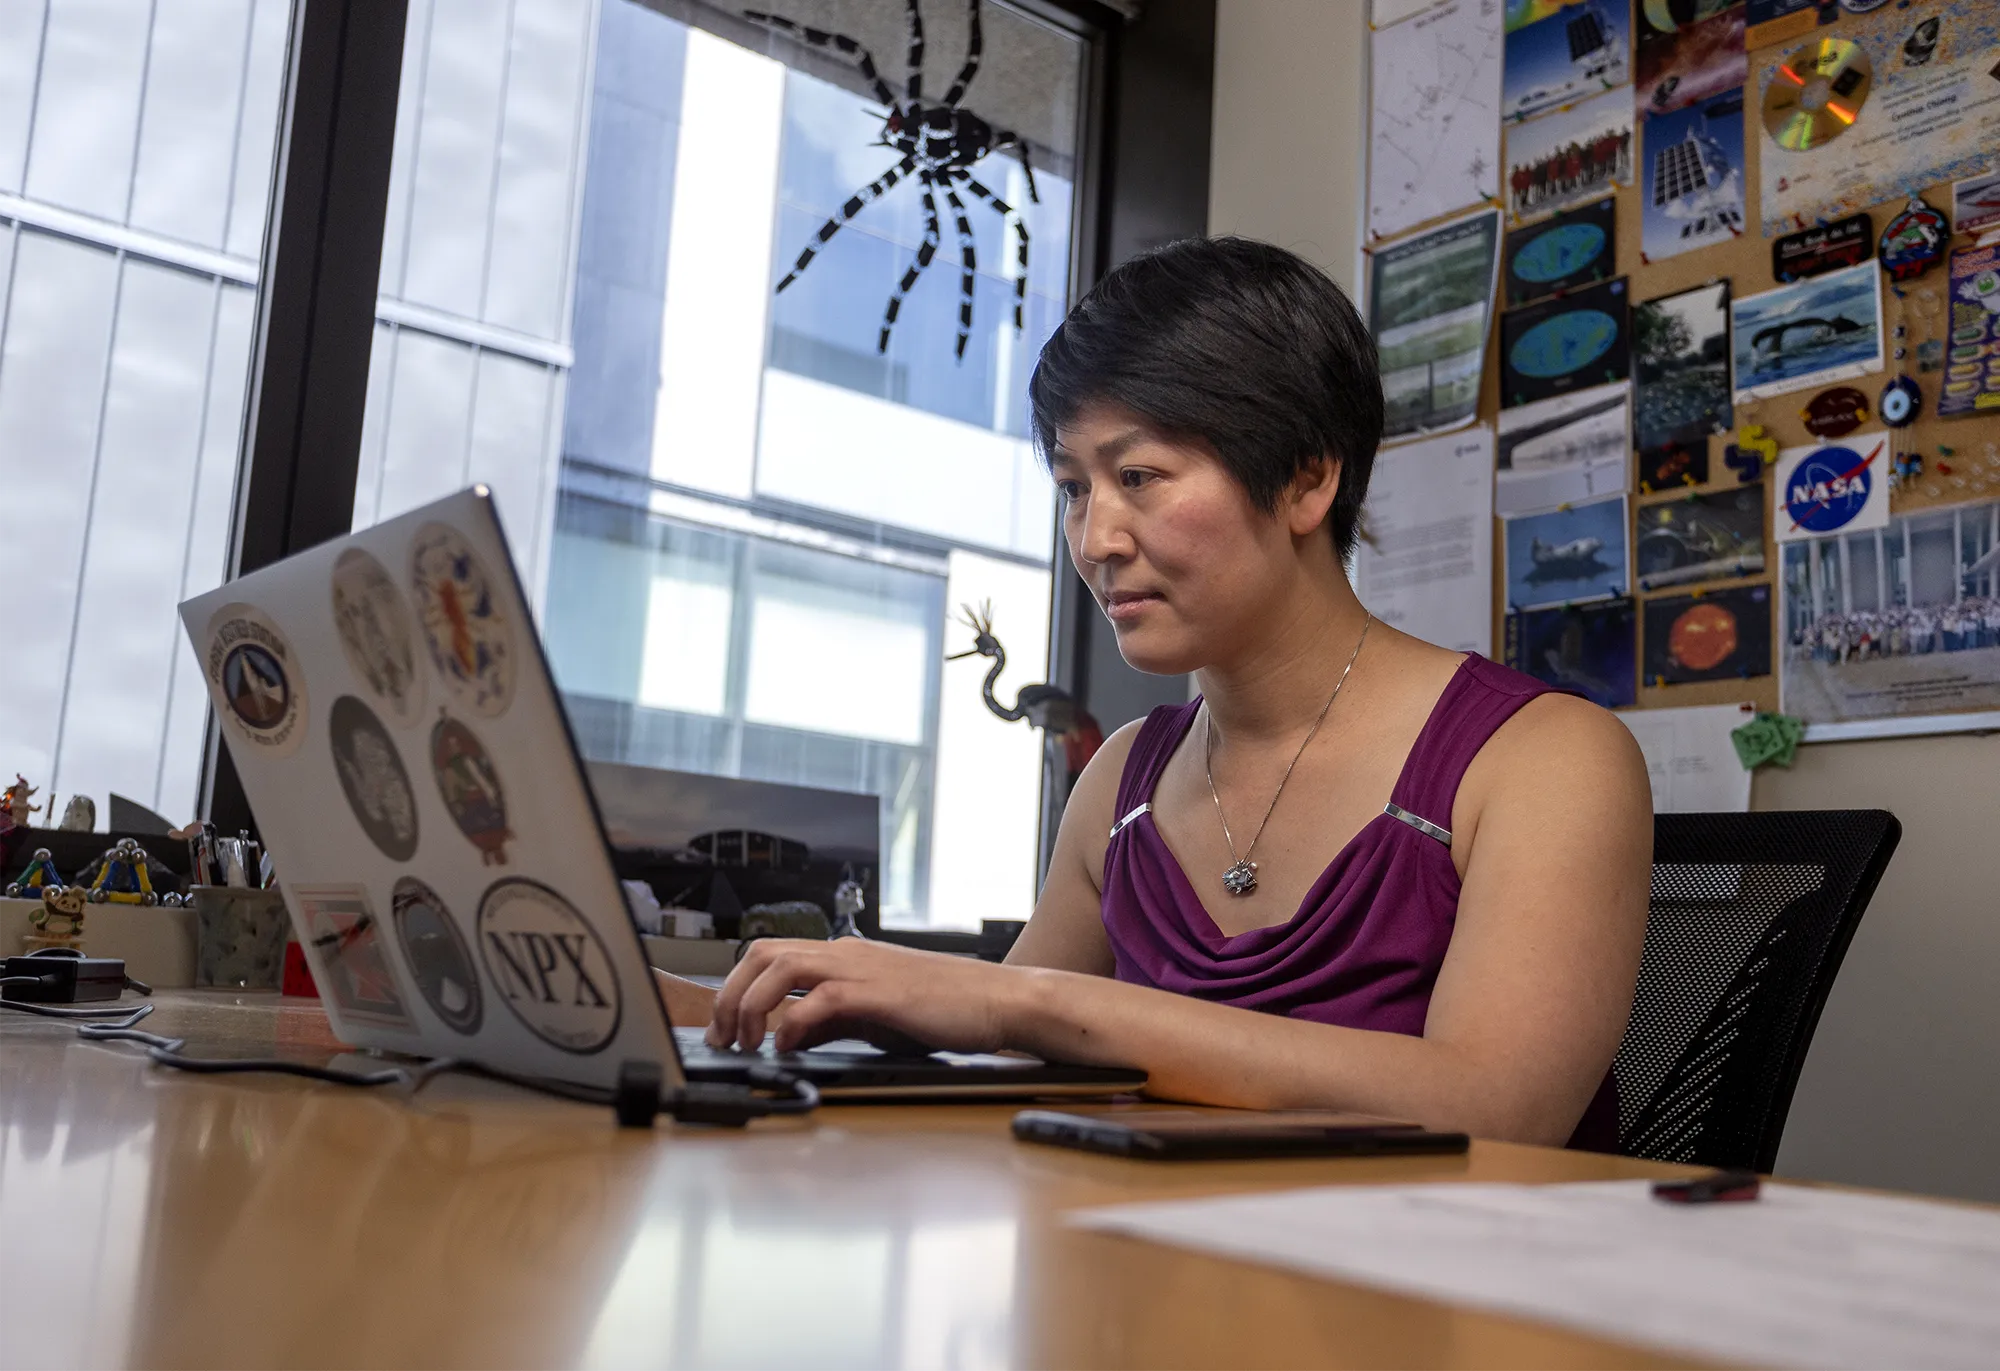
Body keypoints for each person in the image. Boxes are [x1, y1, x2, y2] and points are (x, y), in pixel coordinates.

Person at [655, 238, 1652, 1150]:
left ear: (1306, 483)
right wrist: (665, 998)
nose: (1095, 541)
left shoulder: (1542, 758)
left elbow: (1499, 1107)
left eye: (1138, 474)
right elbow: (989, 1055)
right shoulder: (1122, 783)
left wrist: (1028, 1003)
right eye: (1070, 488)